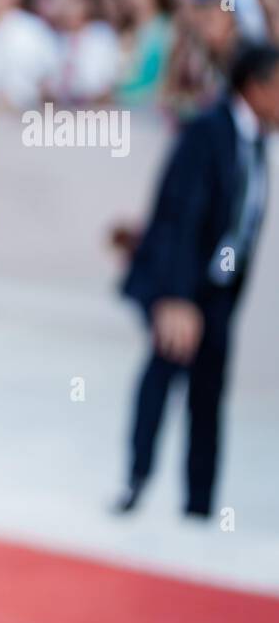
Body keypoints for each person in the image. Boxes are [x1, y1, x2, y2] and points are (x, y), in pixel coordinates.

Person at [117, 43, 275, 518]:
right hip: (183, 288)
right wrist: (175, 297)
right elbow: (178, 216)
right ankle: (137, 481)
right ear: (257, 86)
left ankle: (200, 504)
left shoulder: (257, 139)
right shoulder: (207, 131)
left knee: (209, 393)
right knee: (162, 380)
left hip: (219, 292)